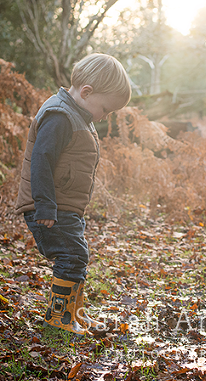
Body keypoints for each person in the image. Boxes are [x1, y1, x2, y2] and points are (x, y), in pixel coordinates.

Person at [15, 53, 131, 335]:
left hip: (65, 206)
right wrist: (45, 207)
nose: (103, 116)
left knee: (77, 254)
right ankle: (59, 318)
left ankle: (74, 312)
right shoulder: (59, 116)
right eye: (104, 109)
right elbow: (42, 161)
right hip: (50, 206)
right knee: (71, 255)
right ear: (87, 91)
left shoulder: (77, 112)